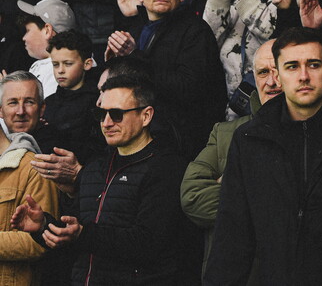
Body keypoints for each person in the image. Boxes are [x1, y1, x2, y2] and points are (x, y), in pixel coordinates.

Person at [204, 28, 322, 285]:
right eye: (292, 66)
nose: (304, 76)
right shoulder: (250, 140)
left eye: (314, 65)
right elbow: (232, 238)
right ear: (279, 74)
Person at [12, 75, 189, 284]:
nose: (106, 123)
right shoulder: (94, 167)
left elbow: (148, 243)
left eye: (116, 114)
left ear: (146, 116)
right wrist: (44, 226)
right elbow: (76, 233)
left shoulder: (166, 167)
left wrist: (81, 234)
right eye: (101, 113)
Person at [106, 0, 227, 157]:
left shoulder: (196, 31)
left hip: (178, 140)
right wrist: (112, 63)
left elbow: (187, 88)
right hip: (134, 131)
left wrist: (134, 56)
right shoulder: (134, 28)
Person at [180, 39, 279, 272]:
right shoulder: (224, 133)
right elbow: (192, 197)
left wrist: (235, 187)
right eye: (263, 72)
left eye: (279, 70)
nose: (272, 82)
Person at [0, 72, 58, 286]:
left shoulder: (41, 162)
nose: (20, 111)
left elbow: (39, 240)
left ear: (42, 108)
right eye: (13, 102)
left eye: (29, 102)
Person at [42, 30, 102, 165]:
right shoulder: (49, 102)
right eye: (55, 64)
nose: (60, 70)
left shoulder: (97, 102)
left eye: (68, 63)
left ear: (87, 64)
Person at [18, 0, 77, 99]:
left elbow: (47, 112)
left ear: (47, 30)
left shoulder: (56, 72)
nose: (24, 38)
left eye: (28, 30)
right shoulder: (77, 62)